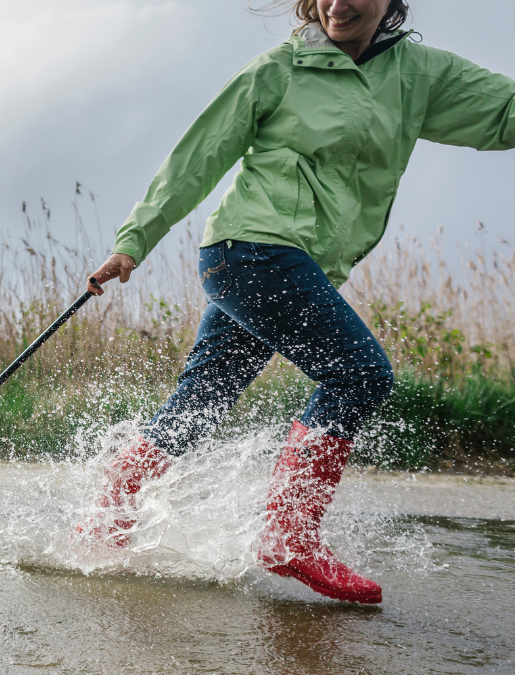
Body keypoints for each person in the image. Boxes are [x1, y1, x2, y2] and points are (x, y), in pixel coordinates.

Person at [81, 0, 515, 605]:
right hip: (252, 250)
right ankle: (290, 534)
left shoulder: (419, 76)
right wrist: (133, 243)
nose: (339, 4)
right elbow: (197, 157)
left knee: (202, 402)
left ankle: (105, 521)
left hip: (289, 264)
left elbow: (507, 113)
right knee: (360, 376)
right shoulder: (278, 70)